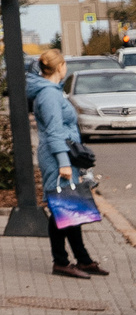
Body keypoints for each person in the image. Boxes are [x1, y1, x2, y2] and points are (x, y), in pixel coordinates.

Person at [28, 48, 108, 280]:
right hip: (57, 157)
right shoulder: (49, 95)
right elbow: (54, 132)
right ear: (60, 67)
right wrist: (63, 163)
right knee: (61, 209)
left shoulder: (51, 92)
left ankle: (83, 259)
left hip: (62, 155)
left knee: (72, 208)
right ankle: (61, 262)